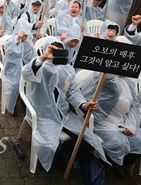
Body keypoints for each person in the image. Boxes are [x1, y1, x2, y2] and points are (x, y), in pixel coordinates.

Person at [21, 40, 107, 182]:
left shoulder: (67, 69)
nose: (57, 54)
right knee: (50, 147)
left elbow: (73, 92)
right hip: (43, 115)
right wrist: (44, 57)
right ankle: (57, 158)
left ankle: (74, 158)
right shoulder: (40, 67)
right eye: (54, 51)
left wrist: (84, 105)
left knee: (88, 141)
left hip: (64, 114)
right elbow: (26, 73)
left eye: (61, 51)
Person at [81, 72, 141, 175]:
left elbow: (134, 105)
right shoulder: (101, 76)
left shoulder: (128, 82)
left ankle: (122, 164)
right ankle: (106, 164)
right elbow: (106, 78)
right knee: (117, 143)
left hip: (122, 119)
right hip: (102, 120)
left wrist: (131, 125)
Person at [2, 21, 34, 115]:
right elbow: (8, 50)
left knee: (31, 84)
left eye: (25, 36)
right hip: (12, 70)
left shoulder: (29, 44)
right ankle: (12, 104)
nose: (23, 38)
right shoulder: (12, 41)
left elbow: (33, 57)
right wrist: (17, 39)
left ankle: (26, 105)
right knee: (16, 84)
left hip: (25, 69)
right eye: (22, 35)